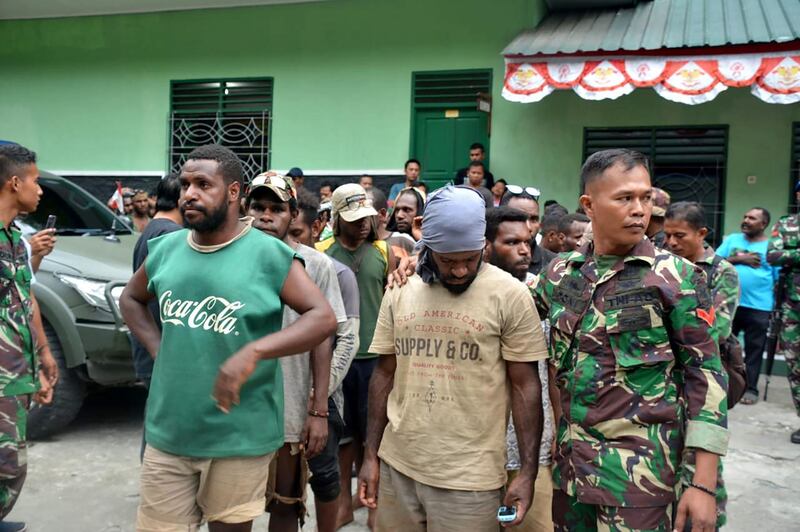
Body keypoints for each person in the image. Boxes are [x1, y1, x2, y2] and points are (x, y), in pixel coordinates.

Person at [119, 144, 337, 531]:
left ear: (234, 193)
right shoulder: (165, 249)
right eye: (185, 184)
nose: (189, 193)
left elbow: (322, 318)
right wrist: (158, 349)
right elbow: (131, 299)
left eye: (203, 184)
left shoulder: (269, 255)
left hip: (239, 436)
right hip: (169, 432)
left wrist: (255, 350)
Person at [530, 149, 728, 531]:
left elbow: (706, 376)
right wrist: (413, 260)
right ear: (589, 205)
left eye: (646, 197)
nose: (640, 209)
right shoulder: (560, 275)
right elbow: (504, 304)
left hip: (643, 483)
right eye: (625, 198)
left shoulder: (678, 279)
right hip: (572, 476)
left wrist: (703, 484)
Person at [358, 186, 548, 531]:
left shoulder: (510, 295)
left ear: (484, 246)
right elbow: (384, 374)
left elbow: (525, 387)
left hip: (469, 480)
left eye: (469, 259)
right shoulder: (400, 288)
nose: (460, 271)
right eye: (447, 261)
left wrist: (527, 473)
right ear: (425, 243)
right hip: (398, 466)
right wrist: (370, 456)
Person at [244, 173, 346, 532]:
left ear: (292, 214)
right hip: (238, 403)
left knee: (285, 503)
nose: (266, 216)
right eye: (258, 207)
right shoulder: (231, 255)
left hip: (289, 399)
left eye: (277, 208)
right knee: (229, 506)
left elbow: (324, 336)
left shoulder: (314, 264)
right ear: (245, 209)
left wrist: (318, 410)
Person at [315, 183, 394, 528]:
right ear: (336, 219)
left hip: (375, 358)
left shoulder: (385, 252)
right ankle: (343, 508)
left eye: (366, 217)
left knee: (373, 438)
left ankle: (375, 508)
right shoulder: (321, 252)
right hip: (336, 360)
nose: (362, 224)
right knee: (342, 438)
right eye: (353, 218)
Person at [664, 201, 739, 530]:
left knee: (702, 470)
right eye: (667, 236)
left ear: (702, 234)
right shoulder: (662, 268)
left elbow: (714, 331)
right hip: (664, 388)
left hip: (702, 384)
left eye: (679, 235)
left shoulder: (722, 273)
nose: (672, 243)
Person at [485, 206, 558, 532]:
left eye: (528, 241)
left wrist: (559, 426)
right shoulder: (468, 294)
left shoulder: (545, 292)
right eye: (512, 242)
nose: (524, 249)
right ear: (486, 245)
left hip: (531, 449)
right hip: (477, 449)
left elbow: (555, 369)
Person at [0, 144, 58, 532]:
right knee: (8, 466)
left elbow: (26, 295)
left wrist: (44, 353)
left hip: (16, 371)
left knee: (11, 466)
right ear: (15, 182)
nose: (40, 189)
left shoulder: (15, 237)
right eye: (35, 180)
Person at [130, 173, 183, 457]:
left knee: (156, 414)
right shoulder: (172, 235)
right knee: (162, 423)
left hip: (149, 344)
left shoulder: (153, 229)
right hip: (161, 345)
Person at [717, 207, 779, 404]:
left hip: (759, 306)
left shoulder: (771, 247)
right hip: (729, 304)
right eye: (745, 216)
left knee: (754, 349)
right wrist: (739, 259)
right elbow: (715, 262)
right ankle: (722, 386)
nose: (746, 220)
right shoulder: (732, 240)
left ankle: (750, 389)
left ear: (763, 224)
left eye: (752, 218)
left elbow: (777, 278)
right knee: (723, 346)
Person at [767, 184, 800, 444]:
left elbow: (785, 255)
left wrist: (793, 255)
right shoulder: (786, 224)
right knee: (795, 365)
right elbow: (774, 254)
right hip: (793, 308)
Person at [502, 186, 555, 275]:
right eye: (519, 218)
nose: (528, 227)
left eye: (533, 219)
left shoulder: (554, 265)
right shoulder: (485, 260)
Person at [370, 188, 416, 261]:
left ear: (382, 214)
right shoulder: (357, 244)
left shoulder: (403, 240)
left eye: (367, 214)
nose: (399, 215)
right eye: (397, 210)